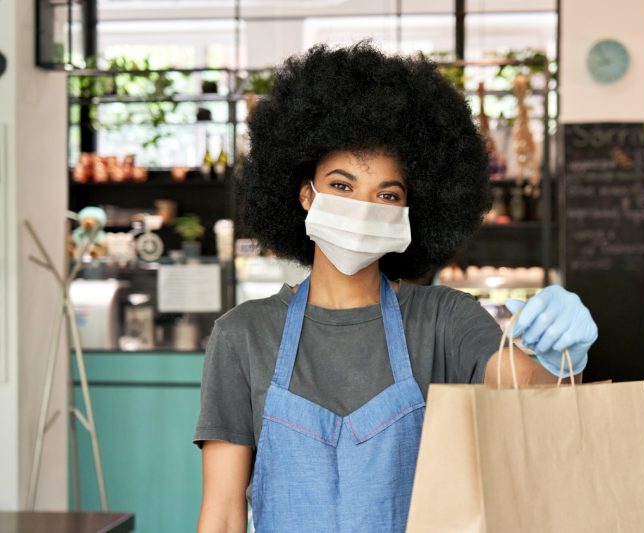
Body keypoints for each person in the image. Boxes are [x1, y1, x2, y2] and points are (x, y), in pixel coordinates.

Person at [193, 41, 598, 533]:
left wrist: (559, 359)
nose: (364, 208)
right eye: (342, 186)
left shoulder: (444, 321)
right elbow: (222, 513)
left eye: (387, 194)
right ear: (305, 194)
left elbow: (527, 390)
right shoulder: (243, 335)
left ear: (410, 212)